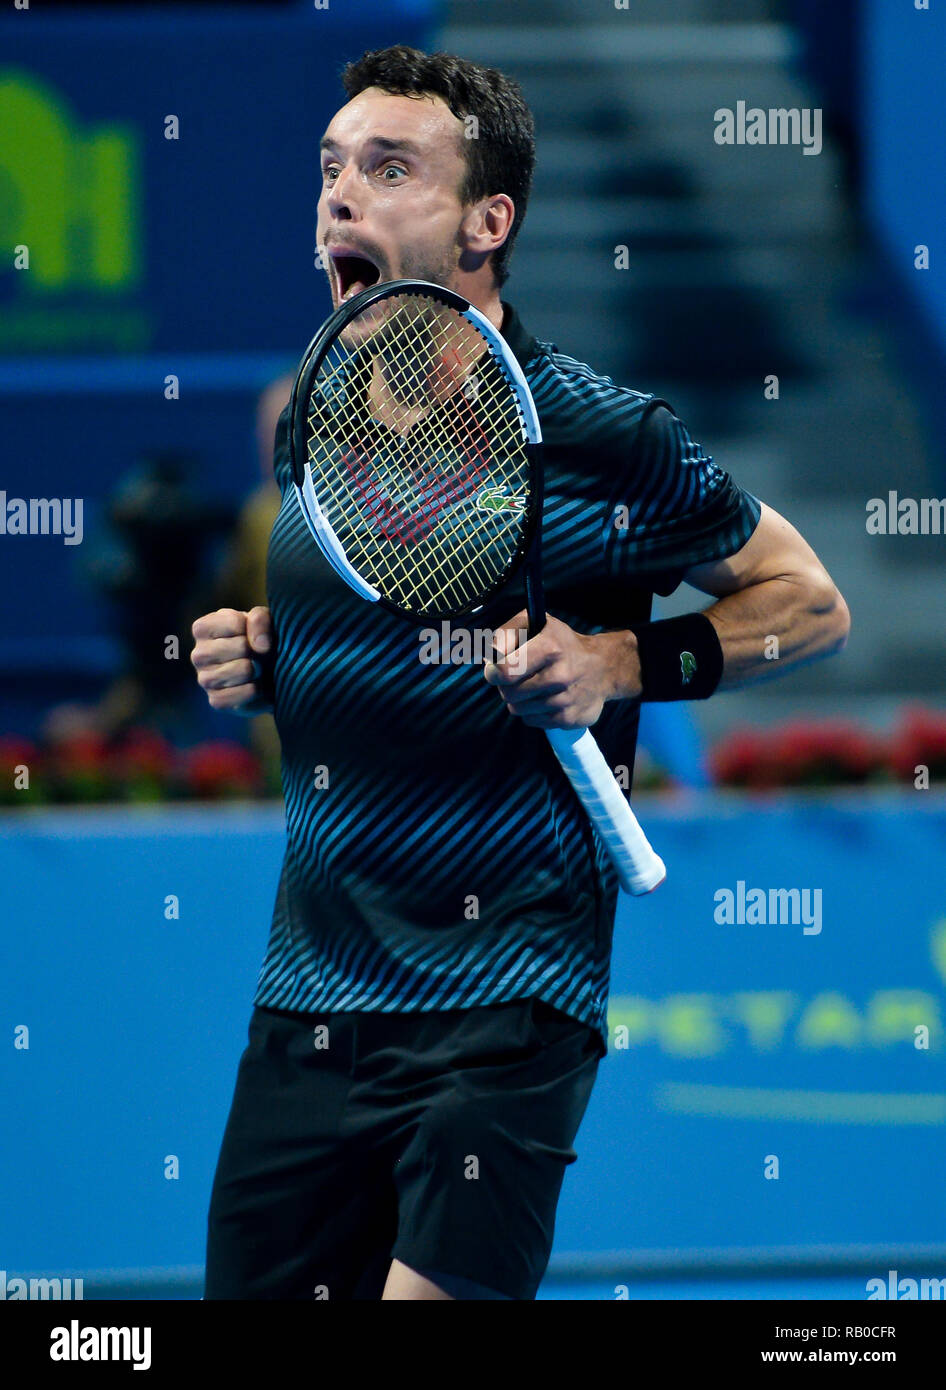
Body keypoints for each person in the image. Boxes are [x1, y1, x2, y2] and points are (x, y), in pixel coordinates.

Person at [191, 46, 849, 1301]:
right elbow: (387, 628)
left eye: (390, 170)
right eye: (332, 169)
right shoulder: (311, 421)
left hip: (504, 1000)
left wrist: (624, 658)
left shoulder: (601, 432)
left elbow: (809, 605)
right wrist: (278, 659)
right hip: (310, 997)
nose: (341, 197)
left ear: (487, 221)